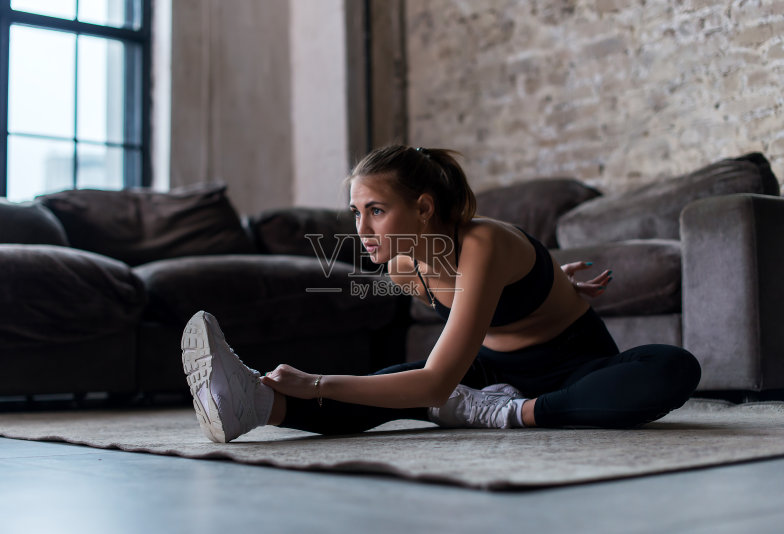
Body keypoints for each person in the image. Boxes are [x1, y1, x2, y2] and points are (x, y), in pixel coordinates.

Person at [181, 145, 701, 443]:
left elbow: (434, 384)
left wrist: (314, 378)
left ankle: (509, 413)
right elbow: (432, 373)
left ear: (425, 208)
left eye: (376, 211)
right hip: (489, 373)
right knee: (384, 384)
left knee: (671, 367)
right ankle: (255, 402)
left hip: (571, 368)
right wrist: (549, 283)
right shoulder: (407, 269)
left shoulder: (485, 242)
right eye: (355, 213)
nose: (362, 229)